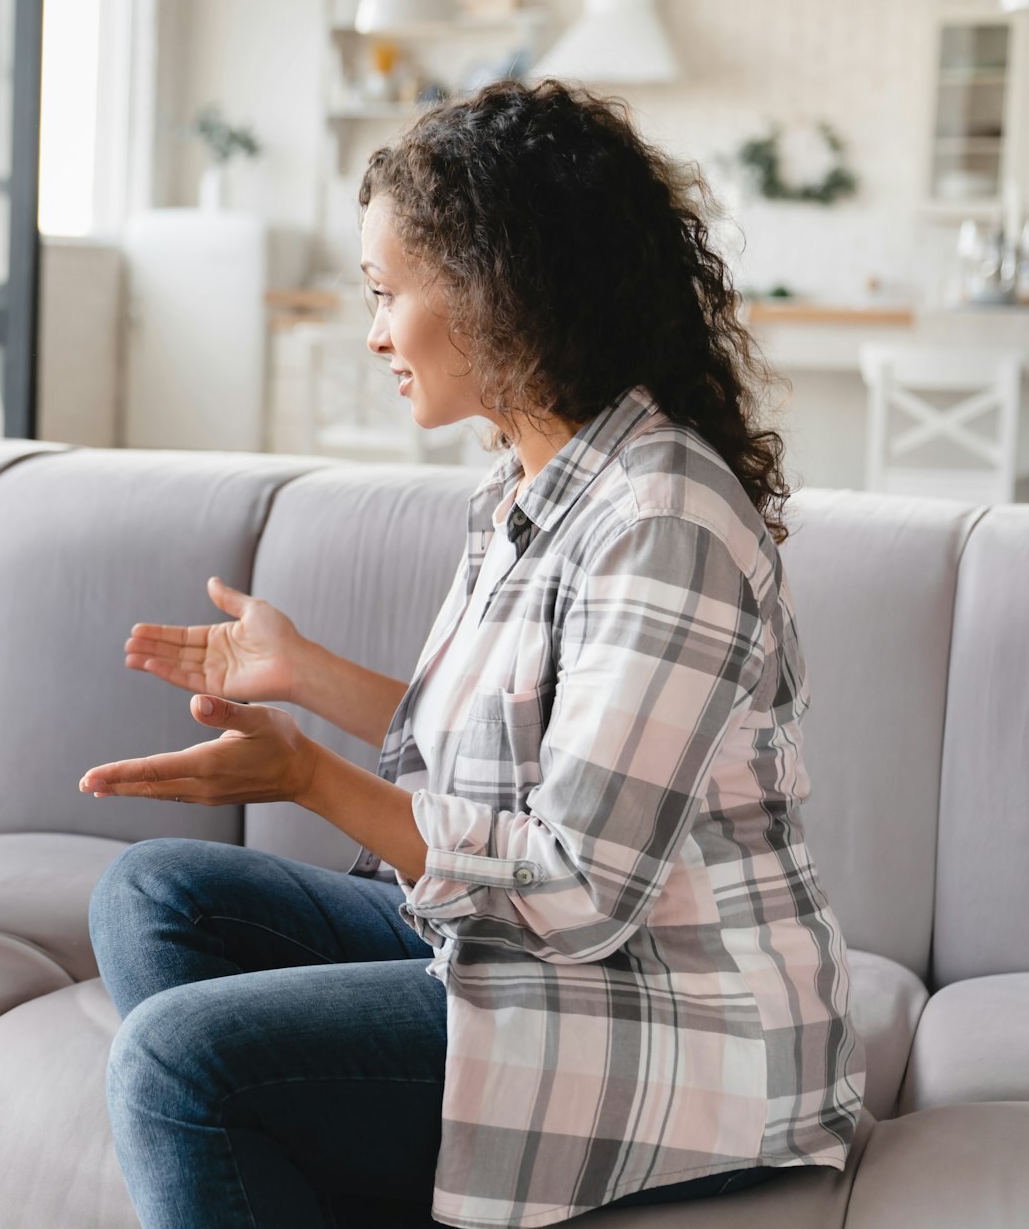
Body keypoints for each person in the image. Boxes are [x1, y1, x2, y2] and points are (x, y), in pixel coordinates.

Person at [82, 81, 865, 1228]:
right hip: (516, 959)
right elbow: (510, 752)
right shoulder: (530, 479)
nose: (372, 330)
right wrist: (303, 671)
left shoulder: (663, 521)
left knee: (173, 1065)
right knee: (152, 893)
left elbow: (578, 886)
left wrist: (307, 773)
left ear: (499, 291)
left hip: (680, 1025)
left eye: (386, 292)